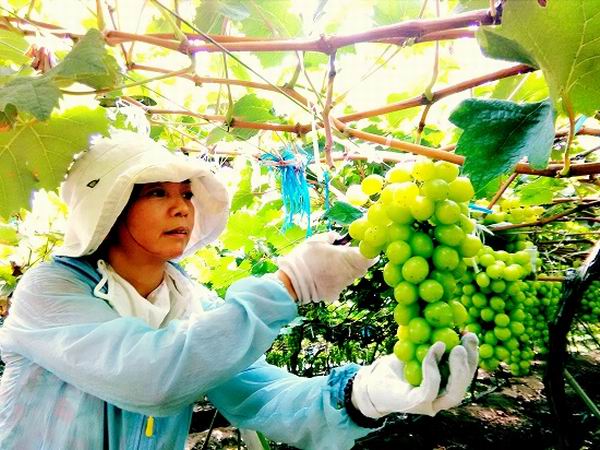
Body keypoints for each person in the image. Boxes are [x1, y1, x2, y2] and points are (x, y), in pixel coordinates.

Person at [0, 130, 478, 450]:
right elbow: (150, 376)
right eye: (157, 192)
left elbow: (260, 394)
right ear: (110, 208)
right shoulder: (51, 291)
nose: (182, 208)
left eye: (186, 194)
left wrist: (362, 395)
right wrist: (289, 286)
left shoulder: (191, 302)